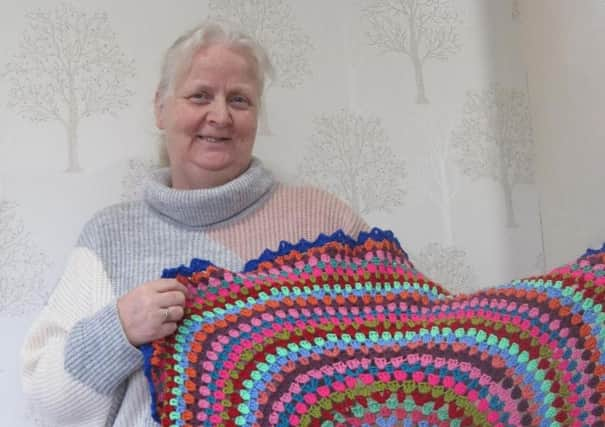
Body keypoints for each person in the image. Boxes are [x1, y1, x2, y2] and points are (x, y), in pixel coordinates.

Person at [21, 21, 368, 426]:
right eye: (200, 95)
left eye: (239, 100)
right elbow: (48, 407)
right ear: (161, 108)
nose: (220, 116)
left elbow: (409, 349)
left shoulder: (324, 223)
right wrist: (120, 330)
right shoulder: (110, 237)